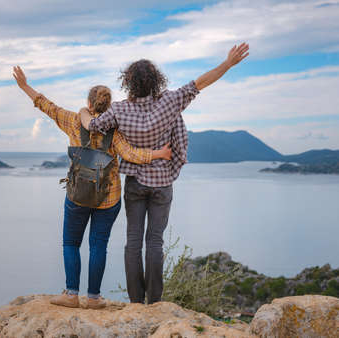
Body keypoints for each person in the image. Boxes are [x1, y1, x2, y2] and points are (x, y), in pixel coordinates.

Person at [80, 43, 249, 304]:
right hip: (162, 184)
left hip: (135, 183)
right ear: (156, 81)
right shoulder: (170, 101)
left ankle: (136, 301)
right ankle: (155, 302)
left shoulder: (120, 110)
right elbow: (200, 83)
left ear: (129, 83)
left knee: (133, 241)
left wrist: (82, 112)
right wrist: (227, 64)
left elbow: (94, 126)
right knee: (155, 242)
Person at [13, 66, 173, 309]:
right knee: (98, 245)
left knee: (71, 243)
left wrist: (24, 85)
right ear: (109, 106)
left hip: (78, 195)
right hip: (108, 199)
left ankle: (71, 294)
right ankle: (94, 298)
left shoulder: (75, 120)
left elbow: (46, 105)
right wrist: (159, 153)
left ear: (89, 103)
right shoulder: (115, 129)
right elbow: (132, 154)